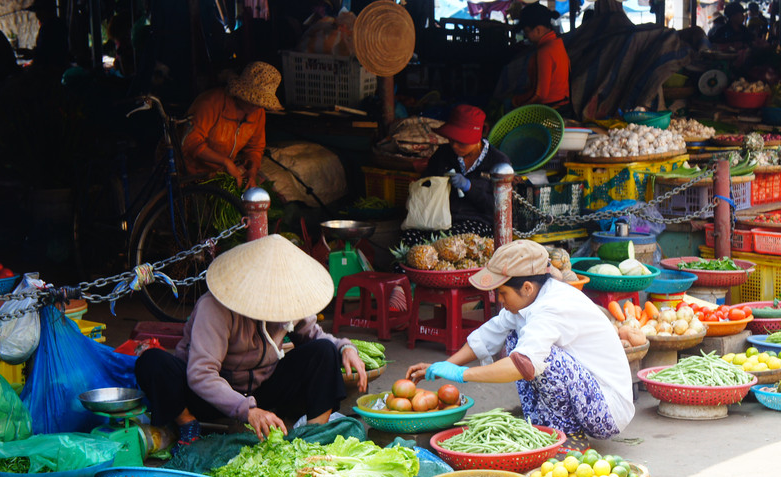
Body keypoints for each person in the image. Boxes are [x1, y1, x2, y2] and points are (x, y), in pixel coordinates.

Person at [134, 234, 368, 449]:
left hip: (261, 390)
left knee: (324, 351)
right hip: (207, 396)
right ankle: (188, 424)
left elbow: (315, 336)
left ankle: (313, 435)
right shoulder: (214, 308)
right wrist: (248, 411)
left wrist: (345, 347)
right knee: (152, 362)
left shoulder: (289, 301)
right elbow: (201, 375)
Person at [406, 240, 635, 441]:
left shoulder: (552, 308)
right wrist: (444, 366)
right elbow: (488, 335)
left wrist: (461, 375)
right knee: (516, 338)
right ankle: (544, 427)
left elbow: (521, 365)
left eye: (503, 293)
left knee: (537, 359)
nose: (500, 300)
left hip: (607, 411)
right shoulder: (529, 301)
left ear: (526, 287)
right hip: (587, 395)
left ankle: (567, 436)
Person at [403, 104, 510, 245]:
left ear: (477, 138)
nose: (454, 146)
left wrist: (470, 188)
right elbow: (426, 185)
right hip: (439, 220)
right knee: (409, 238)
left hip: (478, 223)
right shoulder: (443, 154)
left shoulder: (498, 162)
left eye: (461, 143)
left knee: (449, 242)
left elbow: (500, 207)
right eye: (451, 140)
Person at [181, 61, 282, 189]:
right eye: (253, 101)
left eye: (261, 103)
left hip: (217, 174)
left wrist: (252, 169)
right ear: (240, 92)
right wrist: (226, 162)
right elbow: (190, 142)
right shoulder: (211, 102)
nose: (257, 106)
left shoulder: (258, 113)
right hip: (188, 171)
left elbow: (255, 148)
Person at [512, 3, 571, 113]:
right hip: (563, 106)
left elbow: (540, 94)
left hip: (549, 110)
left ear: (538, 30)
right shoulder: (557, 44)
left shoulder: (544, 52)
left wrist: (516, 103)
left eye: (526, 32)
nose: (526, 37)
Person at [21, 0, 69, 76]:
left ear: (48, 10)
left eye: (40, 10)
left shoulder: (51, 26)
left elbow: (49, 52)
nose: (37, 14)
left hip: (53, 71)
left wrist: (32, 53)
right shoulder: (54, 24)